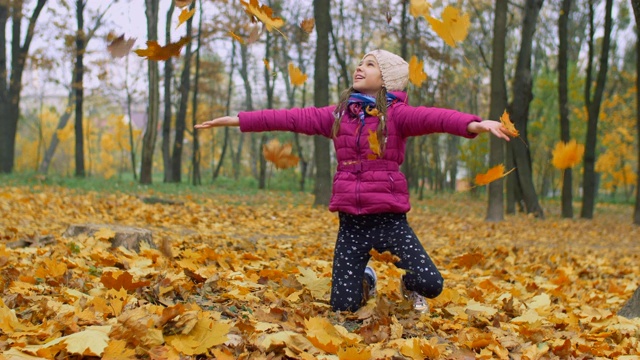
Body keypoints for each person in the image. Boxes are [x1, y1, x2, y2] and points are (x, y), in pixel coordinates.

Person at [195, 49, 511, 313]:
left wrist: (473, 124)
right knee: (343, 308)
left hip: (391, 223)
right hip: (352, 226)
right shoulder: (339, 115)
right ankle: (367, 279)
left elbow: (437, 118)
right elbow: (289, 117)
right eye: (361, 62)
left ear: (386, 78)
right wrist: (238, 120)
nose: (360, 66)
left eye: (370, 63)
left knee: (431, 283)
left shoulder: (397, 116)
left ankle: (407, 286)